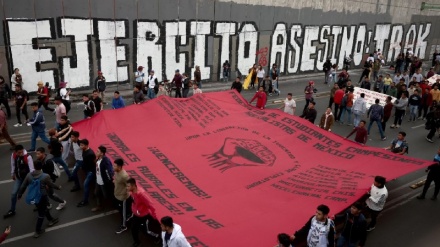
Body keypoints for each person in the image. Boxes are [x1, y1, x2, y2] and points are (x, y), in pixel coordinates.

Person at [17, 160, 61, 238]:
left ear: (34, 166)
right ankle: (38, 230)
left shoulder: (29, 175)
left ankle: (51, 219)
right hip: (42, 196)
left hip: (34, 196)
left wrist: (20, 194)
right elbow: (51, 184)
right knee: (41, 213)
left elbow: (23, 186)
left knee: (43, 208)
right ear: (41, 167)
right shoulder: (45, 176)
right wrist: (58, 187)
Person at [128, 178, 161, 247]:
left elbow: (150, 204)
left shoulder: (141, 195)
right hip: (136, 215)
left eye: (128, 186)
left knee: (146, 231)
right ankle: (137, 242)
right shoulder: (132, 192)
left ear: (133, 186)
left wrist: (154, 215)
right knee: (133, 228)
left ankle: (158, 237)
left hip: (144, 216)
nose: (127, 188)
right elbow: (134, 202)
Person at [3, 145, 34, 219]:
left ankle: (45, 205)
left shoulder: (28, 157)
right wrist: (12, 173)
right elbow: (13, 164)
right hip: (19, 178)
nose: (21, 154)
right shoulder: (13, 155)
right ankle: (12, 210)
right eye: (19, 152)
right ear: (15, 152)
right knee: (13, 194)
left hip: (28, 179)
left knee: (34, 193)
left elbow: (31, 169)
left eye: (21, 152)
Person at [92, 146, 114, 212]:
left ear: (102, 153)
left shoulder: (106, 161)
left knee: (106, 195)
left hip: (103, 182)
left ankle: (112, 205)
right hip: (98, 180)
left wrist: (108, 180)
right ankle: (99, 205)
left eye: (98, 151)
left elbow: (109, 172)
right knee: (96, 193)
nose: (96, 152)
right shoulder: (98, 159)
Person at [113, 158, 132, 234]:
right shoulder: (117, 172)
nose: (113, 167)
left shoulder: (124, 176)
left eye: (115, 166)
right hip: (117, 195)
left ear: (120, 167)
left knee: (122, 213)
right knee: (121, 211)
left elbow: (129, 185)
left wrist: (124, 193)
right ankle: (129, 215)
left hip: (123, 198)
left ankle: (124, 226)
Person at [77, 139, 96, 207]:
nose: (80, 146)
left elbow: (91, 163)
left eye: (82, 145)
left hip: (90, 171)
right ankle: (94, 194)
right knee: (91, 183)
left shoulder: (90, 153)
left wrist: (84, 168)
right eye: (80, 145)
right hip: (88, 170)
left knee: (86, 184)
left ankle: (85, 200)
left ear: (86, 145)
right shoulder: (85, 151)